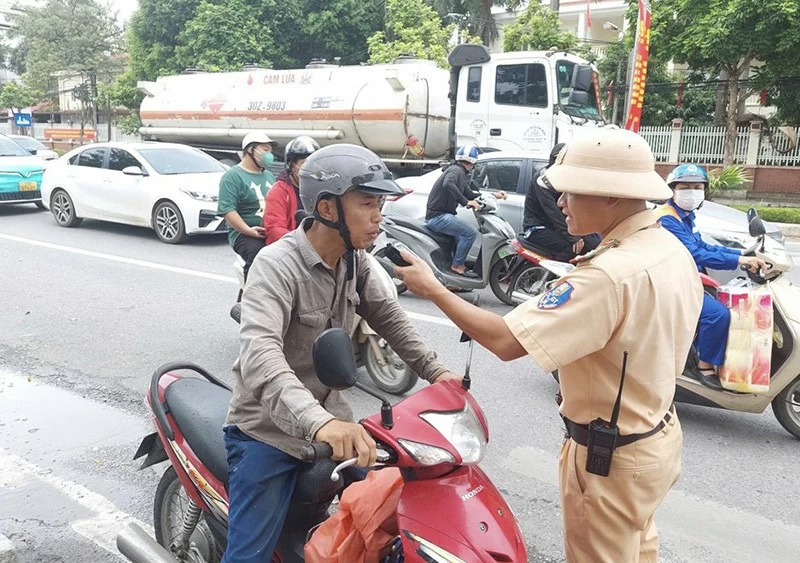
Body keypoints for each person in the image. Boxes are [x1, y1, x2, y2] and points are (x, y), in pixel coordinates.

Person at [396, 130, 703, 563]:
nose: (560, 202)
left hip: (610, 458)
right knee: (637, 549)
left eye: (569, 191)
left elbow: (506, 342)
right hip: (657, 437)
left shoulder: (607, 275)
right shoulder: (668, 247)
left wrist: (435, 290)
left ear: (612, 195)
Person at [222, 143, 460, 563]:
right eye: (367, 203)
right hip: (269, 431)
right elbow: (261, 355)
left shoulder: (356, 261)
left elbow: (389, 318)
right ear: (329, 209)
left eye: (380, 203)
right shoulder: (275, 266)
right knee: (248, 557)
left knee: (390, 517)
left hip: (336, 427)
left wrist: (438, 374)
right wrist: (320, 423)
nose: (378, 215)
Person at [656, 163, 767, 388]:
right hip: (670, 281)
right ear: (673, 190)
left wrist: (741, 253)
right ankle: (704, 367)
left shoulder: (685, 216)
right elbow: (696, 253)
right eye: (686, 186)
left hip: (685, 277)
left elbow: (703, 246)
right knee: (717, 315)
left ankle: (694, 350)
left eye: (697, 187)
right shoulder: (667, 218)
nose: (692, 191)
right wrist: (739, 260)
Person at [424, 145, 505, 277]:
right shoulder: (456, 171)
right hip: (437, 217)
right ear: (472, 163)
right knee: (470, 234)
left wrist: (494, 195)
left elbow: (470, 194)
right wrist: (465, 202)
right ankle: (457, 265)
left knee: (459, 237)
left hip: (441, 216)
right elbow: (448, 184)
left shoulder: (458, 173)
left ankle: (451, 276)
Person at [522, 142, 600, 261]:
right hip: (537, 227)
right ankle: (558, 277)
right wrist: (573, 237)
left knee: (595, 243)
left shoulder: (564, 178)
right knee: (572, 247)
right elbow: (553, 213)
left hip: (555, 228)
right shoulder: (543, 180)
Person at [217, 132, 277, 283]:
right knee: (258, 254)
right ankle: (252, 298)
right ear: (251, 150)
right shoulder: (232, 176)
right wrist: (248, 230)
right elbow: (227, 210)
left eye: (270, 150)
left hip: (270, 229)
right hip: (244, 234)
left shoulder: (269, 176)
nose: (269, 154)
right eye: (265, 150)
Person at [263, 135, 320, 245]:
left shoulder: (322, 189)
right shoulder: (279, 191)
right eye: (304, 164)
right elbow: (275, 229)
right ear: (291, 166)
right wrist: (303, 245)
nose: (310, 169)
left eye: (314, 163)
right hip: (290, 249)